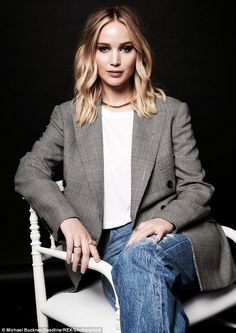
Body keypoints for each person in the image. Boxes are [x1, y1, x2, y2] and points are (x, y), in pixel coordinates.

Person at [14, 5, 236, 333]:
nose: (115, 60)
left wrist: (165, 219)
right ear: (91, 54)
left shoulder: (171, 112)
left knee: (138, 260)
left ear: (138, 54)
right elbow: (28, 171)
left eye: (125, 48)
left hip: (178, 234)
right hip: (109, 247)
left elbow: (197, 189)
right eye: (104, 49)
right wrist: (67, 219)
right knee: (141, 278)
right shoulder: (68, 117)